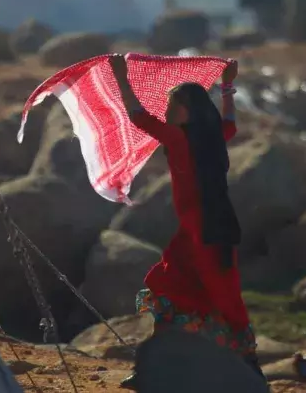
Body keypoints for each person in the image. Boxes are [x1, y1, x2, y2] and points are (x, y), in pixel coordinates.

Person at [108, 54, 266, 389]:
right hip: (196, 233)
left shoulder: (182, 139)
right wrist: (227, 85)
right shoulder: (209, 136)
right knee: (169, 288)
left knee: (223, 300)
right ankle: (151, 370)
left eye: (172, 105)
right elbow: (231, 123)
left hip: (208, 235)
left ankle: (251, 372)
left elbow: (138, 117)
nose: (167, 110)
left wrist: (122, 78)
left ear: (188, 111)